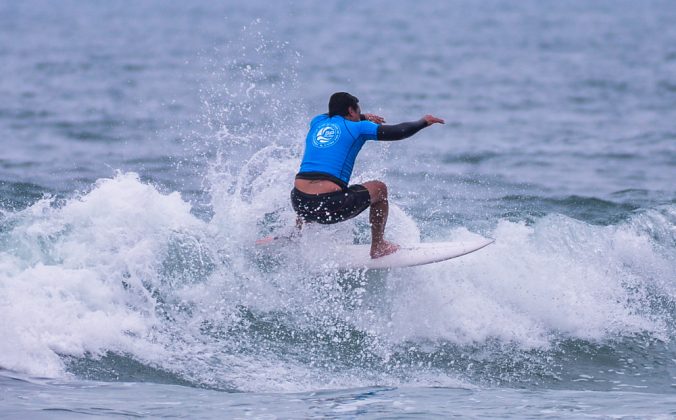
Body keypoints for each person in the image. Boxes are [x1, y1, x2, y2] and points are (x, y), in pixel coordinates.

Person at [291, 92, 444, 258]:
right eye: (358, 111)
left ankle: (296, 236)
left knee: (308, 187)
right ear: (351, 111)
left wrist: (362, 115)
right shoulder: (359, 128)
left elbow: (333, 113)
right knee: (379, 188)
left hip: (299, 204)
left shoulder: (317, 122)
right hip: (330, 206)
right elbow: (398, 131)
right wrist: (422, 122)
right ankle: (378, 246)